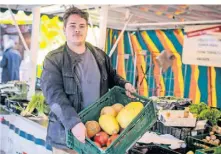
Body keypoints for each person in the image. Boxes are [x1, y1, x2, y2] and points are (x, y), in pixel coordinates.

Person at [40, 6, 136, 154]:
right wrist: (74, 123)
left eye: (81, 26)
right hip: (66, 137)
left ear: (86, 29)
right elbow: (54, 96)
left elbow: (112, 77)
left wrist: (125, 84)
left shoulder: (99, 55)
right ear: (64, 29)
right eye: (72, 26)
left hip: (96, 132)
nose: (77, 30)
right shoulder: (54, 59)